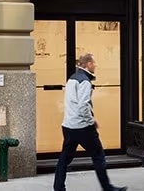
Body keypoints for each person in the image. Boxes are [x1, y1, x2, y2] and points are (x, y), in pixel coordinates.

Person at [53, 53, 127, 191]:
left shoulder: (72, 79)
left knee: (64, 159)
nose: (96, 65)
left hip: (68, 126)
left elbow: (71, 103)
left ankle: (58, 188)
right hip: (83, 127)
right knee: (98, 156)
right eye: (94, 63)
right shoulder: (85, 82)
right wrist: (91, 121)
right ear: (88, 64)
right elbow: (83, 105)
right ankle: (107, 188)